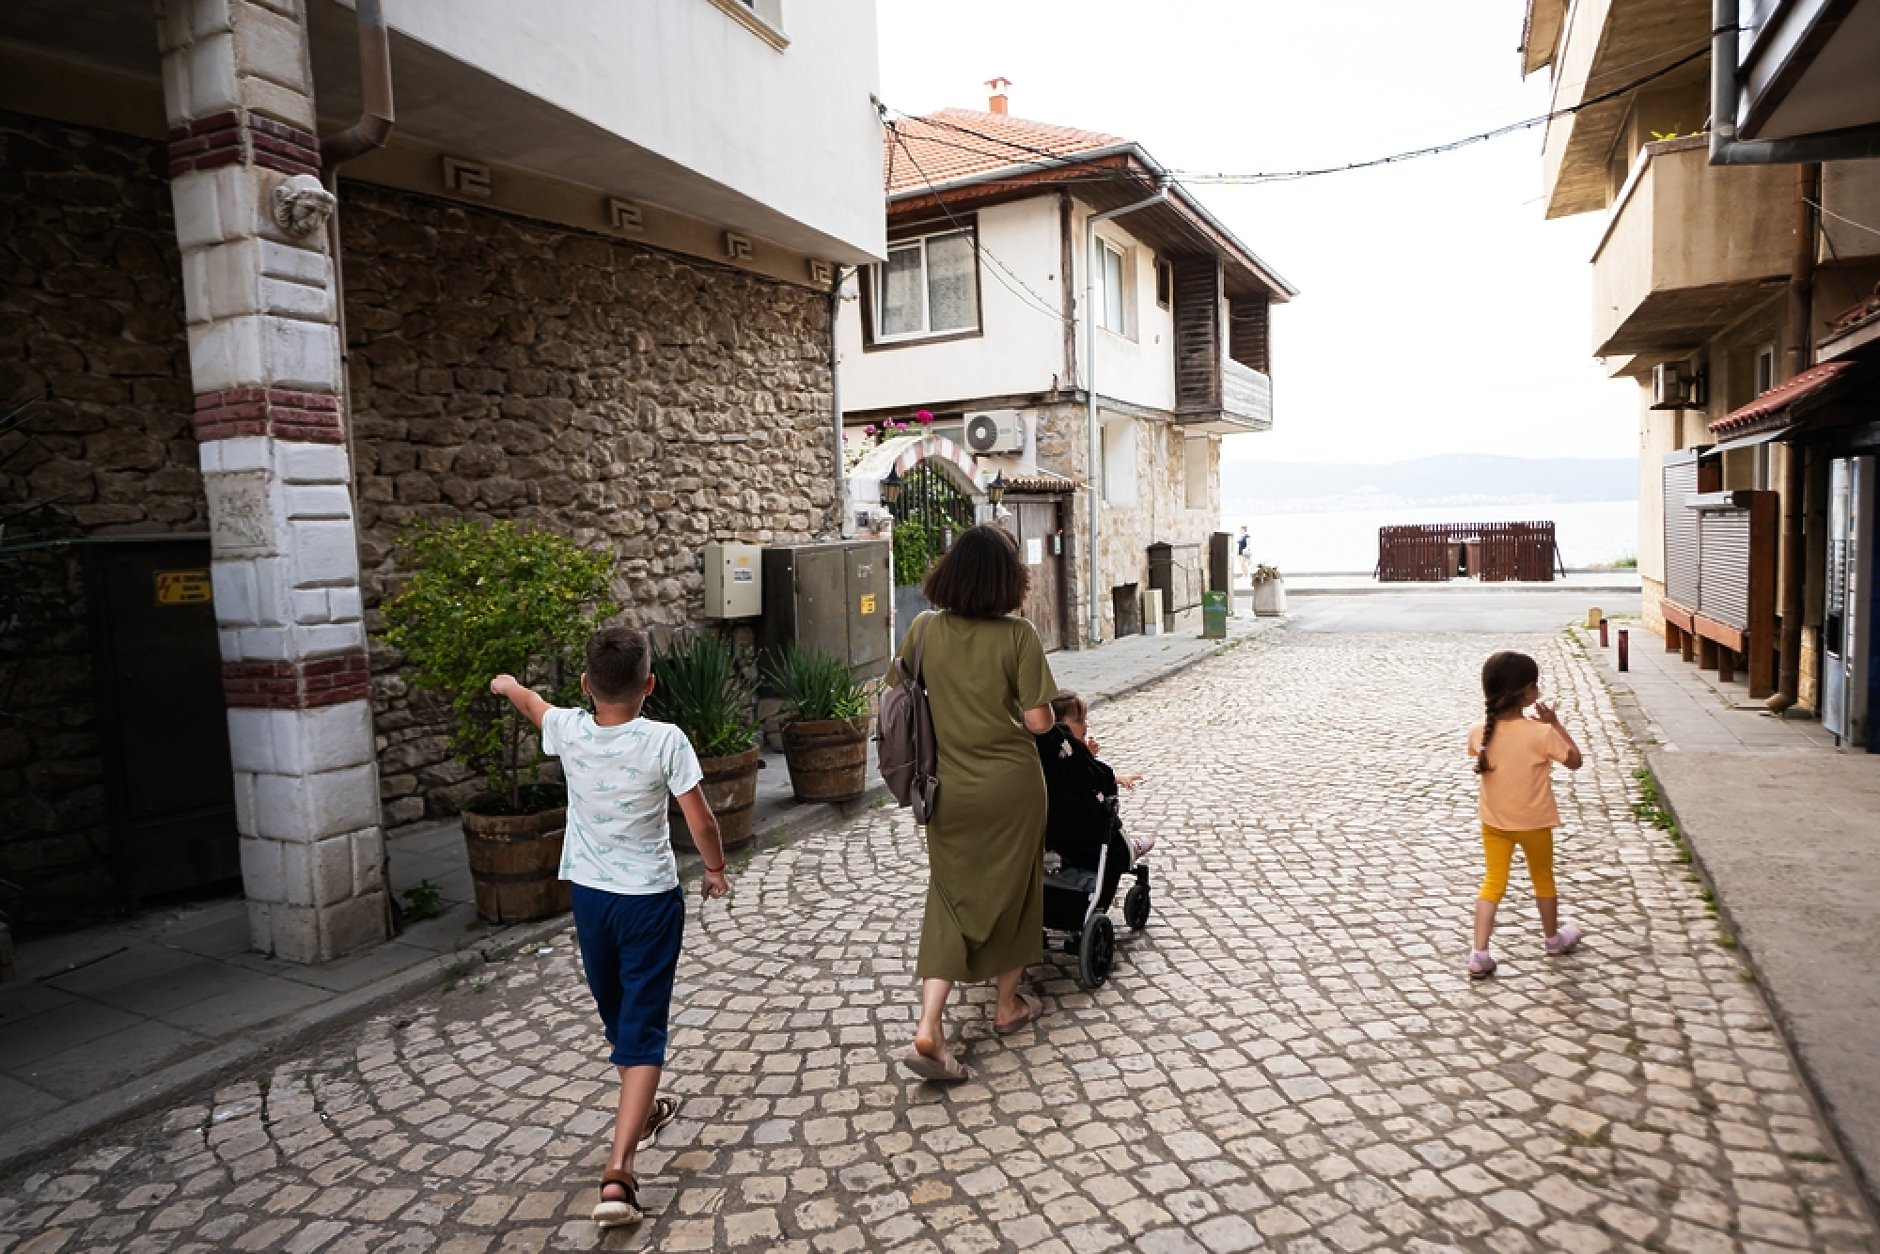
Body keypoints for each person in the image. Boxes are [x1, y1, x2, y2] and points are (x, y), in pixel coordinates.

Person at [490, 627, 729, 1229]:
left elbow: (531, 705)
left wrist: (508, 683)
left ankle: (641, 1116)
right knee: (641, 1029)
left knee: (621, 1018)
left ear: (585, 686)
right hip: (648, 900)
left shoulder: (570, 729)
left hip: (592, 901)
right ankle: (619, 1172)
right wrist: (717, 868)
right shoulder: (665, 740)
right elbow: (699, 819)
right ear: (650, 684)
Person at [890, 524, 1058, 1082]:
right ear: (1010, 581)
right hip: (1012, 789)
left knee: (949, 897)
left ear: (952, 572)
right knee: (1015, 890)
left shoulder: (922, 628)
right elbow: (1038, 721)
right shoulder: (1019, 636)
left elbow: (896, 692)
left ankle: (929, 1024)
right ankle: (1007, 1006)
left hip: (948, 789)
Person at [1465, 650, 1584, 979]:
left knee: (1492, 882)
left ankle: (1479, 954)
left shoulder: (1478, 731)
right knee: (1543, 878)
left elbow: (1482, 751)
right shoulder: (1541, 733)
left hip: (1495, 823)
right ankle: (1552, 939)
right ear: (1529, 692)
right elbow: (1575, 761)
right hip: (1535, 823)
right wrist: (1554, 723)